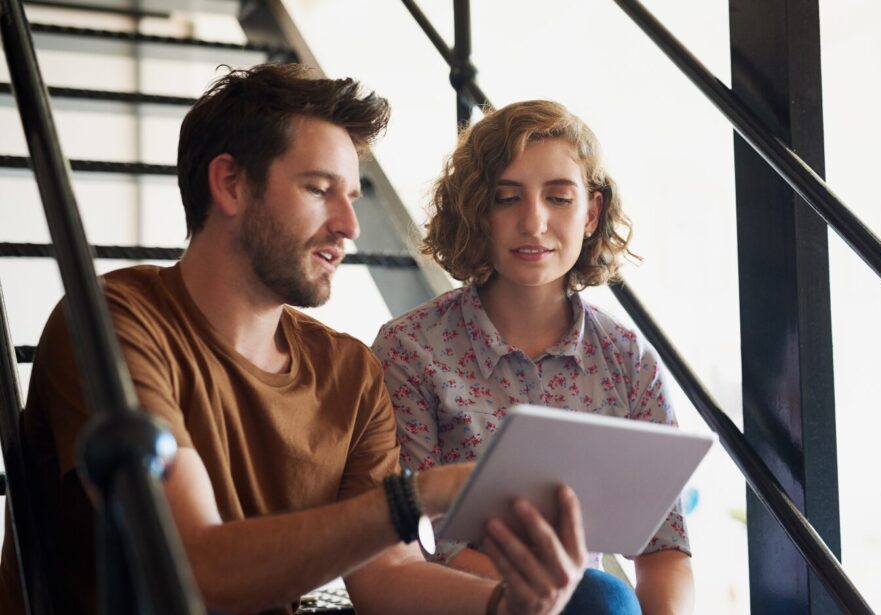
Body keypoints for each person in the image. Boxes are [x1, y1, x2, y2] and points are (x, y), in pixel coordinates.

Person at [0, 65, 589, 615]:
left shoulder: (349, 372)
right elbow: (188, 565)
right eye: (318, 189)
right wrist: (420, 495)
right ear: (230, 183)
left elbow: (385, 572)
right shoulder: (114, 322)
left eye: (352, 198)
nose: (349, 226)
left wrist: (505, 607)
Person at [372, 100, 696, 614]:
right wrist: (547, 595)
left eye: (559, 198)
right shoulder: (410, 350)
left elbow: (665, 550)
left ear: (591, 213)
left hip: (585, 604)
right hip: (465, 604)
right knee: (600, 596)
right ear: (479, 210)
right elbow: (421, 547)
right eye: (506, 198)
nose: (533, 222)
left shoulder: (629, 361)